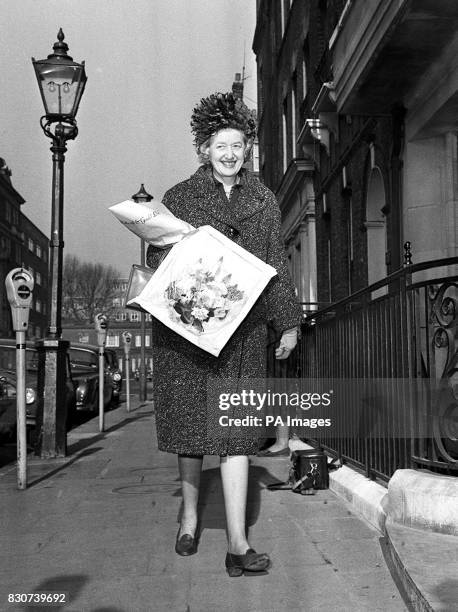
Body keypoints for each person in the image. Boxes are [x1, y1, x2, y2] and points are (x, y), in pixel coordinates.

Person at [146, 92, 302, 577]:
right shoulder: (179, 197)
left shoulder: (264, 200)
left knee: (237, 436)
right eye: (221, 145)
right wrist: (162, 248)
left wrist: (289, 322)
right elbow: (158, 261)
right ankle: (189, 520)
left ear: (247, 147)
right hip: (189, 335)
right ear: (204, 149)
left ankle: (238, 544)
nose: (231, 153)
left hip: (245, 336)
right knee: (193, 434)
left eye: (238, 144)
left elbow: (275, 266)